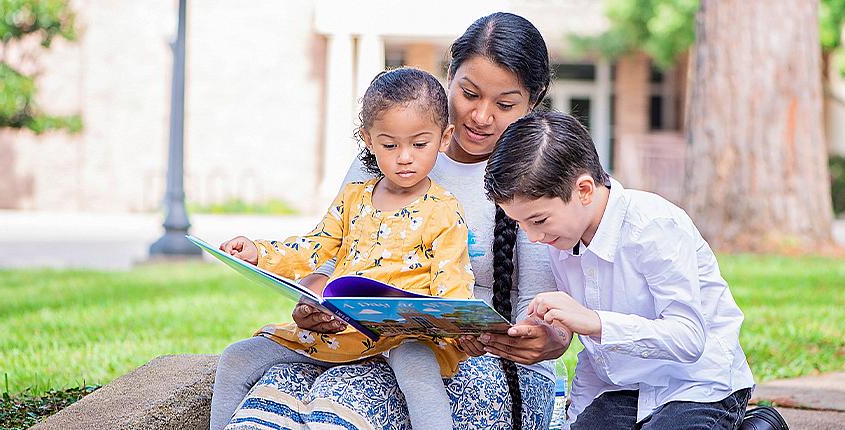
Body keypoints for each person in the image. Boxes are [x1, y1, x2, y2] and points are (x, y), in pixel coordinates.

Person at [214, 12, 571, 430]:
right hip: (356, 339)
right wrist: (313, 302)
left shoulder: (537, 177)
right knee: (274, 388)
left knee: (349, 394)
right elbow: (329, 257)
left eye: (505, 104)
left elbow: (544, 314)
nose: (480, 116)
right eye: (469, 93)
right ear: (449, 76)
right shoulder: (382, 153)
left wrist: (545, 340)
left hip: (479, 363)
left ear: (534, 101)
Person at [214, 67, 473, 430]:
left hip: (402, 336)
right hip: (341, 332)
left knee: (418, 363)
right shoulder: (354, 197)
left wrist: (458, 328)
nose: (404, 157)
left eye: (419, 144)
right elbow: (314, 247)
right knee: (236, 357)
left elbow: (452, 280)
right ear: (368, 139)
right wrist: (258, 253)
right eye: (389, 144)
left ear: (444, 138)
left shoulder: (443, 209)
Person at [483, 111, 756, 429]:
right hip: (623, 392)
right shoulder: (562, 240)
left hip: (696, 385)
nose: (532, 236)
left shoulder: (653, 225)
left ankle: (760, 423)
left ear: (584, 190)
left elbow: (689, 338)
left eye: (539, 220)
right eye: (521, 224)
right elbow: (592, 356)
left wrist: (596, 322)